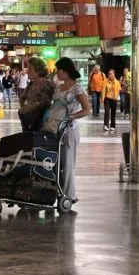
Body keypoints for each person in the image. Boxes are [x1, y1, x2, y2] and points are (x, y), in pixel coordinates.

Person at [44, 58, 90, 203]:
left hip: (69, 130)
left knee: (68, 163)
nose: (57, 72)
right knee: (57, 162)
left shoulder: (77, 88)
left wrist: (71, 116)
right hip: (55, 129)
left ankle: (69, 195)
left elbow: (87, 110)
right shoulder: (58, 87)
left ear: (66, 71)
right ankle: (58, 191)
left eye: (59, 70)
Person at [17, 58, 54, 132]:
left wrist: (33, 105)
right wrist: (24, 107)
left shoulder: (48, 84)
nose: (27, 72)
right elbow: (23, 97)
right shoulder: (31, 84)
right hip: (28, 120)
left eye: (30, 69)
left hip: (42, 122)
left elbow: (48, 102)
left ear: (39, 71)